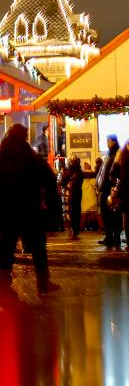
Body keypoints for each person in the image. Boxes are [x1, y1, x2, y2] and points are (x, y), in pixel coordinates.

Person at [0, 124, 56, 290]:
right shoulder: (30, 156)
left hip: (6, 209)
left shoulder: (2, 155)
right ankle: (43, 282)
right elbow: (48, 177)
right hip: (29, 208)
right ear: (23, 136)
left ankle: (4, 284)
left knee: (6, 246)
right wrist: (50, 203)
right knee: (38, 246)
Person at [96, 134, 122, 248]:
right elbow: (103, 170)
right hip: (105, 188)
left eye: (108, 140)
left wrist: (114, 185)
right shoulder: (109, 154)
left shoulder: (117, 154)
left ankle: (115, 237)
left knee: (114, 214)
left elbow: (114, 172)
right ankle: (109, 236)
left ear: (114, 141)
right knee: (106, 214)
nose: (107, 142)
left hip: (111, 189)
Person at [60, 154, 84, 239]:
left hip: (70, 193)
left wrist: (62, 173)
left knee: (71, 212)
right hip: (77, 193)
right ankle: (75, 230)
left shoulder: (69, 171)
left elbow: (62, 182)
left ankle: (73, 230)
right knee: (77, 211)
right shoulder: (79, 170)